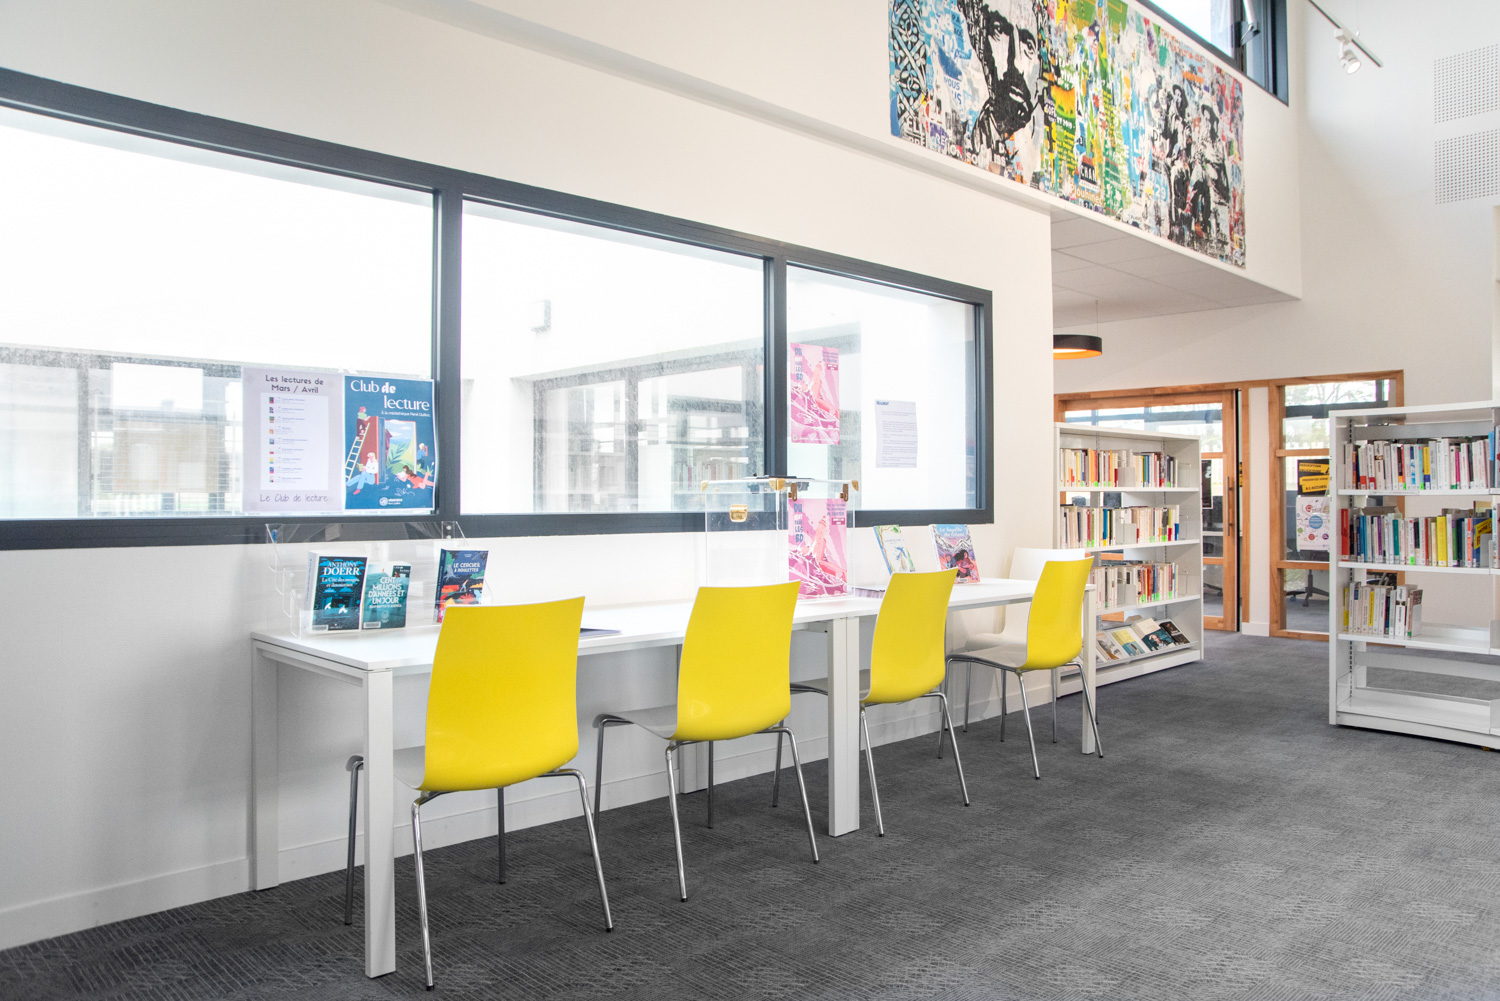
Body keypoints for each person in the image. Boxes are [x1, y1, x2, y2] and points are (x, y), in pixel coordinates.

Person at [958, 0, 1046, 172]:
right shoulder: (972, 134)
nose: (1016, 61)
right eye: (999, 31)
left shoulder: (1039, 159)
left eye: (1028, 45)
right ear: (979, 40)